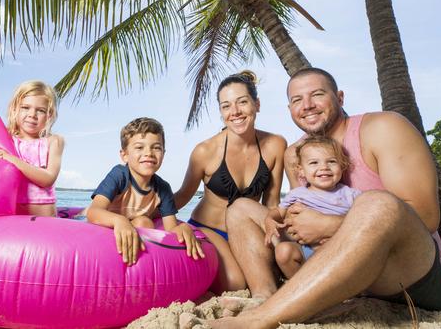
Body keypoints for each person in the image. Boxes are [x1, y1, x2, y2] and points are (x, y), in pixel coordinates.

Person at [210, 67, 441, 328]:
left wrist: (326, 224)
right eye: (296, 100)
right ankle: (265, 297)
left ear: (340, 97)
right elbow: (301, 218)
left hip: (410, 276)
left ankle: (262, 319)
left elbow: (426, 217)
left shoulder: (382, 128)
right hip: (338, 273)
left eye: (317, 94)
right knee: (240, 208)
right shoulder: (296, 154)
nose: (307, 106)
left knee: (377, 203)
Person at [174, 71, 287, 293]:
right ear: (221, 112)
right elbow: (181, 197)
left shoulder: (275, 145)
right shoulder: (205, 151)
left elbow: (271, 204)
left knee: (278, 267)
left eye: (242, 102)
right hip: (209, 230)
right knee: (236, 283)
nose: (234, 112)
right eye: (226, 106)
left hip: (247, 231)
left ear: (257, 104)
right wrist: (141, 212)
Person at [87, 117, 205, 266]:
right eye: (139, 147)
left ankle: (139, 265)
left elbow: (170, 228)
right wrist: (120, 220)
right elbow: (93, 212)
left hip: (136, 224)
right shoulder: (119, 175)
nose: (148, 153)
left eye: (156, 147)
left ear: (164, 152)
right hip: (107, 227)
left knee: (144, 222)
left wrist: (182, 228)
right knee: (140, 222)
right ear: (124, 155)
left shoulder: (163, 188)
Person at [264, 135, 361, 279]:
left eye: (332, 161)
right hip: (307, 251)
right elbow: (278, 212)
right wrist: (269, 221)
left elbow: (364, 218)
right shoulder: (297, 194)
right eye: (314, 162)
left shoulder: (350, 194)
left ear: (342, 165)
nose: (324, 167)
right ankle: (300, 286)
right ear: (301, 170)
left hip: (339, 253)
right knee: (283, 251)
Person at [0, 80, 64, 217]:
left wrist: (10, 159)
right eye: (25, 107)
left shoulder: (54, 141)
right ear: (15, 109)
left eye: (40, 110)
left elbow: (48, 179)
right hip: (14, 219)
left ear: (49, 115)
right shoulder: (5, 140)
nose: (32, 114)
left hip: (45, 220)